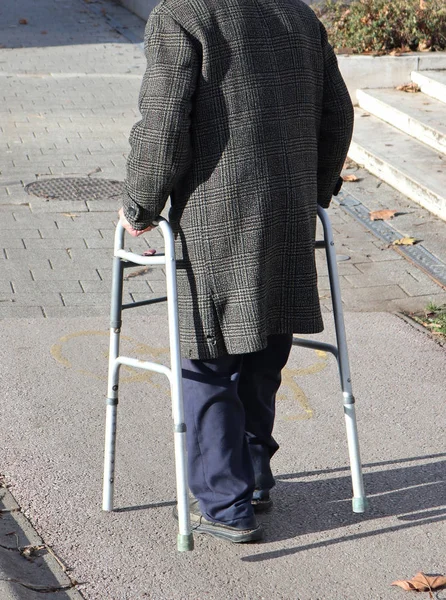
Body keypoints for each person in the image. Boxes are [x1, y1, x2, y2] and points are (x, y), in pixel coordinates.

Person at [118, 0, 353, 543]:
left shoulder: (182, 15)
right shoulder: (296, 14)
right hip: (289, 209)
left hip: (215, 210)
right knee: (265, 343)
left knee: (209, 352)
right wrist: (314, 190)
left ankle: (226, 502)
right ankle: (254, 477)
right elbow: (337, 113)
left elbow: (164, 121)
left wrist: (141, 204)